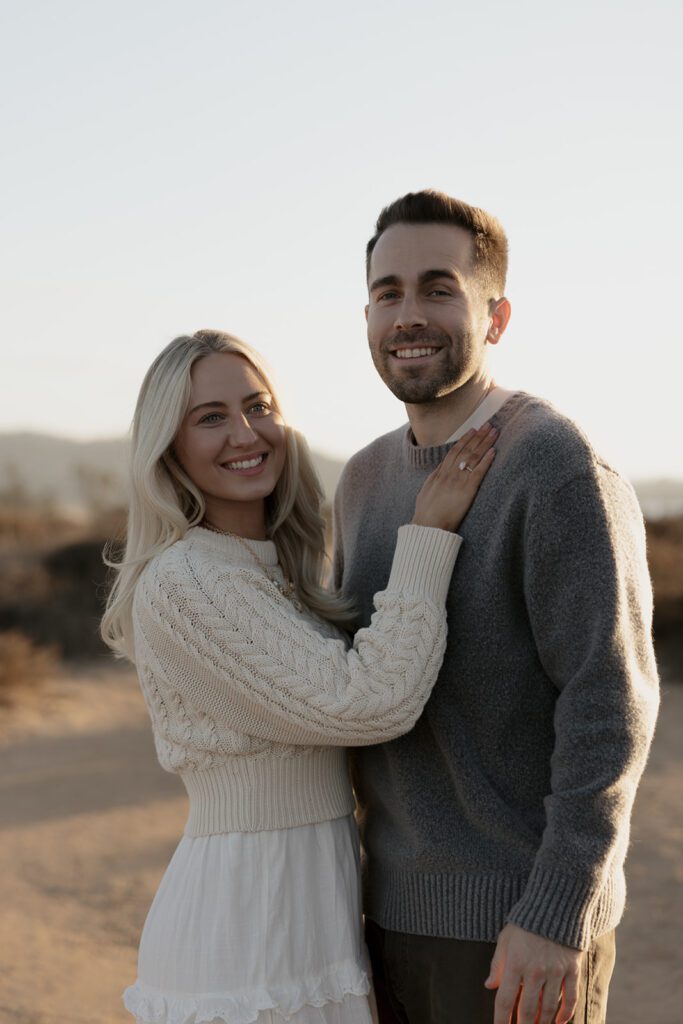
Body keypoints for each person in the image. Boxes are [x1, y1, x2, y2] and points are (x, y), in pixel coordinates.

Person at [101, 329, 497, 1024]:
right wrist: (428, 535)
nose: (245, 433)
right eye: (210, 417)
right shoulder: (183, 580)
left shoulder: (265, 570)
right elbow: (370, 702)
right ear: (168, 446)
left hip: (315, 897)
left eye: (258, 406)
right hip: (247, 920)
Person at [332, 190, 660, 1024]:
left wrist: (555, 913)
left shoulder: (553, 465)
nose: (408, 315)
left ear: (496, 315)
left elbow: (609, 704)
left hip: (514, 936)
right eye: (387, 293)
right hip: (382, 920)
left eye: (438, 289)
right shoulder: (363, 479)